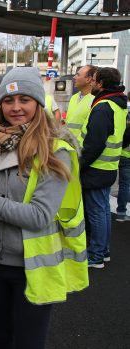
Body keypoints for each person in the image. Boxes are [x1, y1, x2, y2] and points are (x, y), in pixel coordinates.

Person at [0, 67, 87, 349]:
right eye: (8, 101)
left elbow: (39, 216)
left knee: (28, 344)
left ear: (38, 104)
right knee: (0, 340)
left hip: (33, 269)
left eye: (24, 100)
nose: (16, 108)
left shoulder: (56, 151)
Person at [78, 67, 128, 268]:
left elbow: (94, 143)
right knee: (103, 210)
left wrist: (80, 164)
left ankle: (97, 255)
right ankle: (102, 251)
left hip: (96, 168)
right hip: (108, 166)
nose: (91, 83)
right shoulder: (117, 104)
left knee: (97, 211)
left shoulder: (102, 106)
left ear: (100, 84)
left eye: (94, 80)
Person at [65, 65, 96, 138]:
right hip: (70, 145)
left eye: (78, 75)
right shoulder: (74, 97)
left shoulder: (95, 100)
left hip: (82, 147)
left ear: (88, 79)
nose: (74, 77)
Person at [118, 103, 130, 222]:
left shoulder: (124, 109)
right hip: (127, 155)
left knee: (124, 185)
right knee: (125, 185)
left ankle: (121, 213)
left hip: (120, 152)